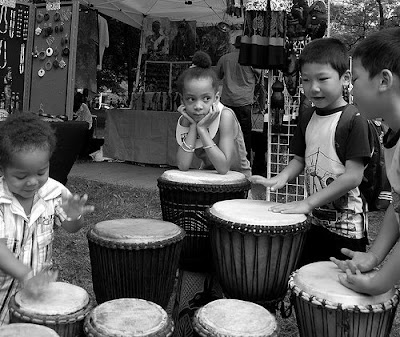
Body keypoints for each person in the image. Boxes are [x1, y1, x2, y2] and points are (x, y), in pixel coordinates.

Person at [249, 38, 371, 266]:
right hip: (315, 221)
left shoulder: (354, 120)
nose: (313, 87)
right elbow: (300, 159)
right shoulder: (307, 116)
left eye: (322, 79)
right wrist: (280, 178)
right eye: (305, 80)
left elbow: (353, 176)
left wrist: (308, 203)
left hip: (347, 228)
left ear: (345, 79)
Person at [0, 113, 95, 324]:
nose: (33, 182)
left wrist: (74, 216)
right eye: (21, 176)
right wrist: (26, 275)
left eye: (41, 172)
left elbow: (71, 228)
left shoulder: (54, 191)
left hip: (37, 295)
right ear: (3, 170)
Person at [331, 28, 400, 295]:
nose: (350, 87)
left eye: (355, 79)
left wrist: (380, 282)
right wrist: (373, 257)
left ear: (383, 80)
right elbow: (398, 204)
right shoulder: (391, 132)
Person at [176, 51, 251, 178]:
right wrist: (194, 126)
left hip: (237, 178)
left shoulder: (225, 116)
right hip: (208, 174)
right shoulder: (187, 119)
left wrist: (202, 130)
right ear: (182, 100)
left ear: (216, 98)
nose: (198, 106)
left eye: (206, 98)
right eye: (191, 99)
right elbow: (182, 165)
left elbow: (223, 168)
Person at [215, 35, 259, 162]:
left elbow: (217, 75)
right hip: (244, 101)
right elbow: (260, 75)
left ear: (234, 45)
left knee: (226, 133)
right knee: (245, 134)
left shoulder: (224, 58)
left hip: (227, 102)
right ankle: (245, 163)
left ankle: (226, 161)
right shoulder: (251, 59)